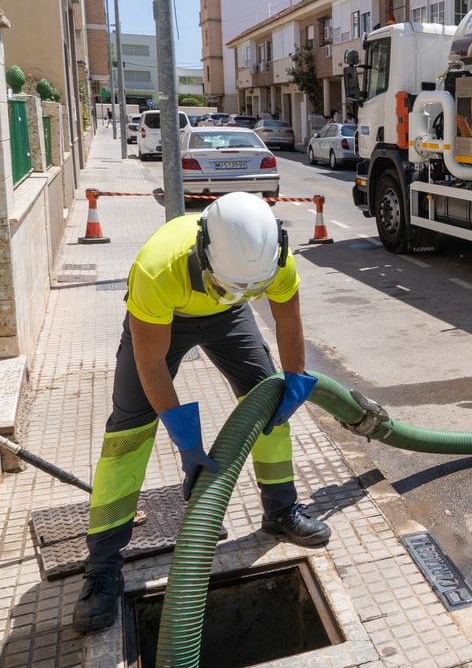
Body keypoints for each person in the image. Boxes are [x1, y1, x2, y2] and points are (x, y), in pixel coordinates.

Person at [73, 192, 329, 634]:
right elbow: (152, 365)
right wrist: (185, 440)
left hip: (229, 319)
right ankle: (102, 567)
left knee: (267, 401)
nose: (242, 291)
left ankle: (280, 511)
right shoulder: (158, 269)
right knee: (128, 433)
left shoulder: (274, 260)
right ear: (202, 253)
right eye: (224, 284)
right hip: (163, 318)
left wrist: (295, 379)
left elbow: (288, 323)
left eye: (252, 287)